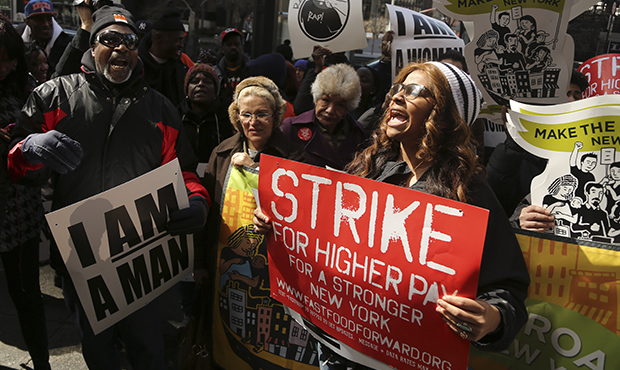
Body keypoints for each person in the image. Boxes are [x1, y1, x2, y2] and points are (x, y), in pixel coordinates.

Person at [255, 61, 530, 369]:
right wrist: (279, 226)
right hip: (341, 353)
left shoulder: (469, 193)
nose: (397, 96)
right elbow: (326, 247)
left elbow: (508, 292)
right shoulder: (369, 171)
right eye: (398, 88)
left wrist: (490, 318)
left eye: (414, 91)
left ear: (446, 112)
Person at [7, 6, 209, 370]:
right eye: (110, 39)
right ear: (92, 46)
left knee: (147, 350)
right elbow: (18, 168)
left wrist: (197, 202)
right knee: (98, 353)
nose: (121, 48)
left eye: (130, 41)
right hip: (83, 260)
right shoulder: (55, 96)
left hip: (142, 261)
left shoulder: (161, 110)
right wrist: (29, 148)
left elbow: (184, 172)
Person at [195, 76, 305, 367]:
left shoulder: (296, 159)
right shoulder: (220, 154)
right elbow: (208, 215)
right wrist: (200, 264)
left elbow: (304, 219)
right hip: (223, 271)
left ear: (276, 116)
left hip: (274, 275)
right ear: (236, 117)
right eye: (246, 114)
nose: (253, 121)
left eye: (261, 114)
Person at [0, 14, 50, 370]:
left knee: (27, 296)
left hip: (18, 212)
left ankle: (41, 362)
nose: (6, 65)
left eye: (11, 57)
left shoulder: (27, 90)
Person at [281, 63, 368, 170]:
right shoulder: (291, 128)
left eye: (340, 105)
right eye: (326, 100)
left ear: (348, 107)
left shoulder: (357, 133)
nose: (330, 110)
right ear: (316, 99)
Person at [179, 63, 233, 163]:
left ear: (216, 90)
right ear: (187, 89)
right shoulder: (176, 115)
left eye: (208, 82)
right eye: (194, 82)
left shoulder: (227, 117)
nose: (200, 84)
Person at [139, 10, 191, 107]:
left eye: (182, 40)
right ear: (158, 38)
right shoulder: (134, 67)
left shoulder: (181, 68)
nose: (181, 45)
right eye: (177, 40)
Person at [21, 0, 72, 71]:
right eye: (39, 19)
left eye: (49, 19)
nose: (46, 24)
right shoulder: (17, 41)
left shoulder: (68, 45)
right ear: (28, 22)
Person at [217, 27, 250, 105]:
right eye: (229, 44)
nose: (233, 47)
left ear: (242, 48)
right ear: (222, 49)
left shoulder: (253, 71)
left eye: (236, 44)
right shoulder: (215, 73)